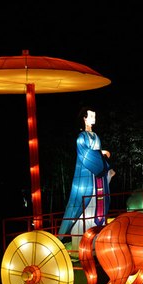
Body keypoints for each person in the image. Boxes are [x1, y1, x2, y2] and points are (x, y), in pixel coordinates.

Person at [59, 107, 115, 252]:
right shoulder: (81, 138)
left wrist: (106, 168)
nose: (93, 118)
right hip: (86, 178)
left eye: (94, 115)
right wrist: (102, 153)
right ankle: (81, 244)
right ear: (84, 118)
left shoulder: (96, 136)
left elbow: (98, 158)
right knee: (84, 207)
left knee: (97, 204)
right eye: (91, 115)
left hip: (98, 180)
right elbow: (86, 155)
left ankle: (96, 242)